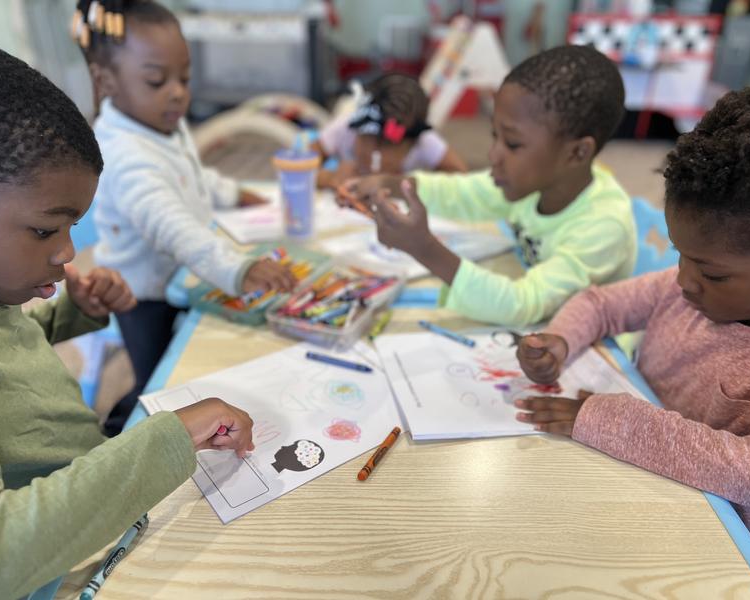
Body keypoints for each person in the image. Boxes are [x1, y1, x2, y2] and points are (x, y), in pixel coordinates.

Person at [0, 39, 255, 599]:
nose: (68, 252)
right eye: (45, 230)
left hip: (97, 513)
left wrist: (73, 314)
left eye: (71, 228)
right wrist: (168, 438)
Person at [515, 87, 750, 543]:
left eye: (712, 273)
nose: (683, 280)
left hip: (717, 542)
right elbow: (601, 304)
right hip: (639, 483)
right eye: (679, 253)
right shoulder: (683, 287)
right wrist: (560, 340)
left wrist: (616, 422)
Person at [72, 0, 297, 435]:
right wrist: (239, 268)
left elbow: (192, 175)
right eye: (157, 80)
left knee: (200, 352)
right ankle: (116, 436)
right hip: (141, 296)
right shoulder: (124, 153)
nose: (177, 92)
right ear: (105, 81)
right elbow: (173, 226)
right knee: (158, 382)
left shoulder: (160, 122)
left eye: (185, 78)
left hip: (180, 276)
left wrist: (234, 193)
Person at [337, 45, 636, 327]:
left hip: (594, 348)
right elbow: (462, 193)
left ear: (577, 153)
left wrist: (423, 247)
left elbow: (522, 303)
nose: (493, 155)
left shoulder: (604, 227)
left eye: (513, 144)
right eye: (495, 136)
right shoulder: (535, 182)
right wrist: (390, 184)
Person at [315, 72, 467, 189]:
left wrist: (408, 184)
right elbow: (303, 164)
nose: (375, 162)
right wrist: (329, 178)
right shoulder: (345, 128)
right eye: (367, 141)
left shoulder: (424, 141)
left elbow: (461, 180)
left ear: (411, 145)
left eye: (388, 148)